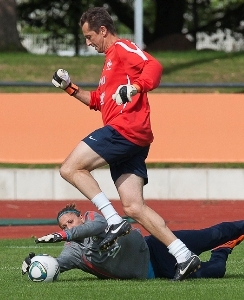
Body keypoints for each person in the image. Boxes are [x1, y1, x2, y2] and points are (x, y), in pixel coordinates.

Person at [50, 6, 199, 280]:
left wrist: (136, 87)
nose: (88, 42)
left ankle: (113, 220)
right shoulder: (109, 62)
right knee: (133, 207)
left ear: (103, 31)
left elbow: (154, 66)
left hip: (125, 130)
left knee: (70, 169)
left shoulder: (122, 49)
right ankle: (183, 255)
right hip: (131, 138)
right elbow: (98, 101)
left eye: (89, 36)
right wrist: (70, 88)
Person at [22, 204, 244, 280]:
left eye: (71, 221)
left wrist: (65, 234)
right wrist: (34, 264)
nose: (69, 227)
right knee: (216, 269)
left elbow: (98, 226)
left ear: (80, 217)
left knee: (213, 232)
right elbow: (56, 265)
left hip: (158, 245)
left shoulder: (94, 219)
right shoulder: (72, 253)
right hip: (154, 271)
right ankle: (225, 250)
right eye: (64, 226)